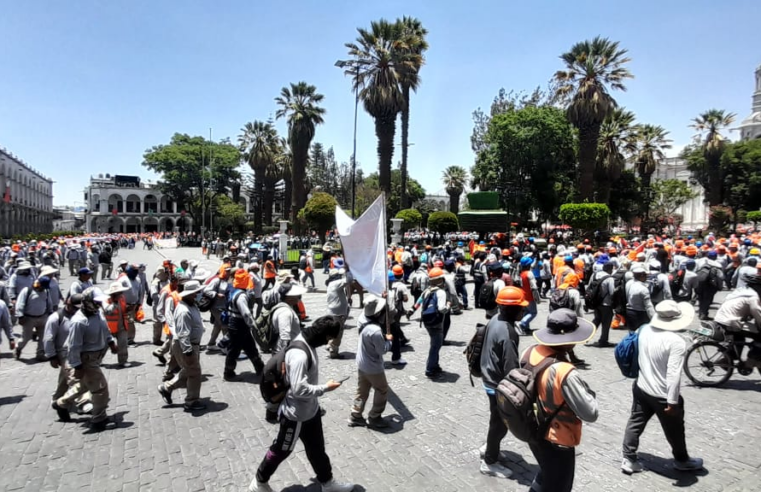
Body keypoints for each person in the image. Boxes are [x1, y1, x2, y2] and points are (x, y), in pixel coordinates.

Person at [249, 317, 354, 492]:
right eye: (329, 339)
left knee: (317, 449)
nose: (328, 343)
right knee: (281, 449)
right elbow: (299, 390)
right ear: (325, 334)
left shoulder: (306, 341)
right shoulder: (300, 354)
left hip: (310, 411)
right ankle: (259, 482)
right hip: (295, 415)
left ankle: (328, 483)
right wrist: (325, 388)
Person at [621, 301, 704, 474]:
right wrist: (672, 402)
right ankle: (682, 460)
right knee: (675, 429)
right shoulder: (676, 342)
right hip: (662, 394)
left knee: (635, 422)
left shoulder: (643, 330)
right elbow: (673, 375)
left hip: (641, 386)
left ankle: (628, 458)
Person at [526, 309, 599, 492]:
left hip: (533, 428)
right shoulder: (564, 371)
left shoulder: (530, 351)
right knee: (559, 485)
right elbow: (590, 413)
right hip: (558, 438)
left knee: (546, 473)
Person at [53, 287, 118, 428]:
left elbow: (104, 328)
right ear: (88, 301)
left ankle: (61, 404)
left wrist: (111, 341)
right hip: (86, 359)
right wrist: (77, 365)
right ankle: (99, 418)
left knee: (83, 386)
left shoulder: (97, 313)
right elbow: (73, 346)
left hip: (96, 356)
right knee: (100, 389)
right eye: (96, 302)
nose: (99, 305)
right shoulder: (79, 321)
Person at [479, 286, 525, 479]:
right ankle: (489, 461)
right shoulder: (508, 333)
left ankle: (490, 447)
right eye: (521, 308)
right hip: (497, 384)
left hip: (488, 376)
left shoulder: (495, 319)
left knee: (495, 420)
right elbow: (511, 368)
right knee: (500, 423)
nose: (524, 311)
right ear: (511, 309)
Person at [157, 280, 207, 411]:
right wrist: (188, 351)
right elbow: (183, 334)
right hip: (186, 345)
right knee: (194, 373)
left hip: (191, 345)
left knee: (188, 370)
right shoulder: (184, 311)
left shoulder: (192, 305)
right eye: (198, 292)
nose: (200, 294)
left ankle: (166, 388)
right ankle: (191, 401)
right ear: (191, 294)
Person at [348, 296, 393, 429]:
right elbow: (382, 350)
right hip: (373, 367)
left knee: (361, 391)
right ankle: (375, 416)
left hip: (362, 363)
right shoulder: (375, 331)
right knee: (382, 389)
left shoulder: (363, 318)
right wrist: (389, 341)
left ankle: (355, 414)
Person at [43, 294, 91, 413]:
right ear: (68, 305)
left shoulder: (82, 315)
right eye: (75, 308)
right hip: (64, 352)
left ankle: (57, 399)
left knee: (64, 379)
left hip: (79, 350)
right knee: (75, 377)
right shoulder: (56, 318)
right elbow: (48, 338)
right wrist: (52, 356)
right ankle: (84, 401)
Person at [224, 269, 265, 381]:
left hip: (239, 325)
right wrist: (253, 325)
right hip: (239, 325)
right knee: (234, 350)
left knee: (250, 347)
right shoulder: (241, 296)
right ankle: (228, 373)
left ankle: (260, 368)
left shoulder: (236, 292)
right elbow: (246, 313)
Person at [414, 267, 450, 378]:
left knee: (435, 344)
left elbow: (418, 302)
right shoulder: (441, 293)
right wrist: (448, 305)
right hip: (437, 323)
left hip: (426, 321)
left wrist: (411, 311)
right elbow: (441, 309)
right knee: (435, 347)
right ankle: (430, 369)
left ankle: (435, 365)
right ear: (440, 280)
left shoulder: (427, 291)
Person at [15, 275, 54, 361]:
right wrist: (20, 316)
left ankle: (40, 354)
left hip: (42, 317)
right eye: (42, 286)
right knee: (26, 337)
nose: (43, 288)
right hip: (29, 318)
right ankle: (18, 348)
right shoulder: (27, 291)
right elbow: (20, 304)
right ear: (38, 284)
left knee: (43, 337)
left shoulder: (46, 291)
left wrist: (50, 313)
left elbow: (49, 303)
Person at [588, 262, 617, 347]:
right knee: (606, 323)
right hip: (606, 304)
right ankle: (603, 340)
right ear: (610, 269)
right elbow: (612, 292)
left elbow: (589, 287)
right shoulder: (609, 278)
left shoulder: (594, 275)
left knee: (596, 320)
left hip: (595, 303)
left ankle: (586, 336)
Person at [103, 281, 131, 367]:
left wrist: (128, 308)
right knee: (104, 345)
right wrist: (114, 303)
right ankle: (97, 360)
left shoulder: (122, 298)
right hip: (109, 327)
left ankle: (123, 361)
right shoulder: (106, 300)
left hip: (122, 325)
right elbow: (108, 311)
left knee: (123, 344)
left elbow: (123, 309)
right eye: (119, 293)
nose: (121, 294)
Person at [204, 265, 231, 351]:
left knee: (217, 326)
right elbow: (206, 290)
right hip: (216, 307)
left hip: (224, 307)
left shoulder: (229, 281)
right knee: (224, 325)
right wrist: (216, 294)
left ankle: (211, 344)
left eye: (229, 271)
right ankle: (225, 346)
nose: (228, 272)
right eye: (227, 271)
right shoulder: (217, 280)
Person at [325, 268, 349, 359]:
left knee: (333, 331)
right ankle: (331, 345)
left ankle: (333, 353)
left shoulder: (331, 284)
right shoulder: (336, 283)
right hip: (337, 312)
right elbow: (349, 280)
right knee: (338, 332)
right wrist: (349, 270)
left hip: (333, 311)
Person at [625, 266, 655, 331]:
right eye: (645, 275)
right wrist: (653, 318)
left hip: (629, 311)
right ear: (641, 276)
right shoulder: (643, 289)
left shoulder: (628, 283)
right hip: (640, 314)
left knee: (632, 333)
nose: (646, 277)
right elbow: (648, 306)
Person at [518, 256, 541, 334]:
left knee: (527, 312)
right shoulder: (529, 273)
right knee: (533, 312)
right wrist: (537, 297)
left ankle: (526, 328)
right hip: (529, 296)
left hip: (523, 295)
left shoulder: (521, 273)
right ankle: (522, 323)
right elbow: (533, 287)